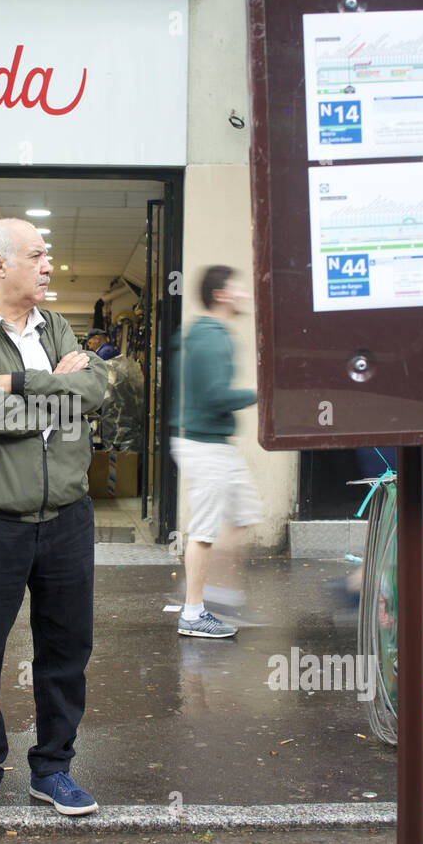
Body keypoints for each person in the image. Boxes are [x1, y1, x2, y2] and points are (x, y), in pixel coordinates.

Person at [0, 217, 108, 823]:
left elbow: (95, 389)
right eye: (37, 255)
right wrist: (51, 396)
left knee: (67, 649)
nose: (49, 265)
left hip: (66, 517)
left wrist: (20, 385)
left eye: (48, 254)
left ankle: (53, 769)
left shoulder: (57, 324)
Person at [169, 265, 263, 637]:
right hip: (203, 444)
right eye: (238, 289)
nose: (243, 295)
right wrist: (262, 392)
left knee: (242, 512)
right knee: (204, 530)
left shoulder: (213, 334)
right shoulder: (208, 338)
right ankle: (193, 613)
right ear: (221, 294)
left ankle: (219, 594)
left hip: (215, 442)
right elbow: (215, 396)